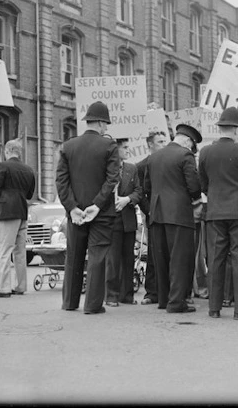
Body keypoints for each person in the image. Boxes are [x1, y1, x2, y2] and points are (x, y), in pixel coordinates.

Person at [56, 101, 121, 314]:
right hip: (100, 213)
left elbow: (61, 181)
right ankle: (92, 305)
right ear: (101, 123)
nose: (106, 129)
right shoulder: (109, 146)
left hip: (75, 213)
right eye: (106, 124)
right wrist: (97, 204)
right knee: (97, 256)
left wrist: (72, 207)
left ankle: (70, 302)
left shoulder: (68, 146)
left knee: (74, 256)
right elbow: (112, 179)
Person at [199, 107, 238, 320]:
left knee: (215, 259)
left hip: (215, 211)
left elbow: (203, 183)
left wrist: (216, 196)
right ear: (236, 129)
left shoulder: (206, 151)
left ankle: (214, 308)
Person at [144, 123, 203, 313]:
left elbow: (146, 187)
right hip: (178, 214)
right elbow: (193, 186)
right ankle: (177, 302)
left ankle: (164, 299)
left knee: (161, 259)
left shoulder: (154, 157)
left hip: (157, 213)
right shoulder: (185, 155)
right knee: (180, 258)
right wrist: (195, 200)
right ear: (187, 141)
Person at [0, 139, 36, 298]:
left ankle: (4, 288)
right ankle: (20, 286)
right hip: (22, 211)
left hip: (7, 212)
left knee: (3, 250)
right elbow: (29, 194)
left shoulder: (2, 166)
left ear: (7, 151)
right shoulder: (28, 170)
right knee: (20, 252)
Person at [105, 138, 143, 306]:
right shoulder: (106, 168)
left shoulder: (131, 168)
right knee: (113, 260)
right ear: (116, 149)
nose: (129, 150)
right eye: (125, 148)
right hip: (112, 220)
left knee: (128, 258)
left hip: (127, 219)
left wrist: (127, 199)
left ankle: (127, 295)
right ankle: (111, 296)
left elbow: (138, 192)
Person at [136, 131, 169, 306]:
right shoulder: (142, 166)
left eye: (165, 141)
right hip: (152, 214)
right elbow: (140, 192)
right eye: (160, 141)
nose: (164, 144)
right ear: (150, 144)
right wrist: (150, 211)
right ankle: (152, 291)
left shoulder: (170, 162)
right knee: (154, 253)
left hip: (170, 214)